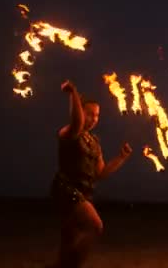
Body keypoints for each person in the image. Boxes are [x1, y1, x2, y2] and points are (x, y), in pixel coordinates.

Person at [50, 80, 133, 268]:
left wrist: (121, 158)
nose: (93, 118)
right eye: (89, 114)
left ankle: (61, 264)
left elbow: (100, 173)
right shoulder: (69, 133)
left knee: (69, 236)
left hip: (83, 191)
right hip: (66, 189)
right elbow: (76, 122)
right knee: (95, 226)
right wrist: (73, 93)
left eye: (96, 115)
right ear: (80, 112)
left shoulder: (94, 141)